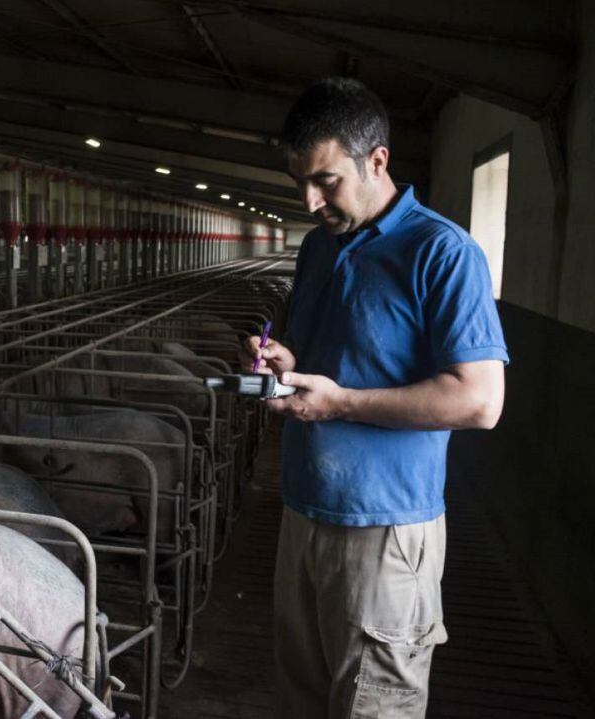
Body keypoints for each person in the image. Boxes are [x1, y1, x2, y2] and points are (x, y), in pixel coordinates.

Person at [248, 77, 508, 717]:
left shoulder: (441, 252)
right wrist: (284, 367)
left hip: (386, 529)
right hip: (304, 510)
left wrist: (339, 404)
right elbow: (322, 364)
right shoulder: (317, 248)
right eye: (299, 182)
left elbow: (480, 400)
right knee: (302, 698)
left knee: (373, 705)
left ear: (378, 160)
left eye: (327, 181)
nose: (310, 200)